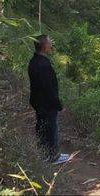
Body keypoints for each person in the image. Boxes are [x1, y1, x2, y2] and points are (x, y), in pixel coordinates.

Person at [28, 35, 70, 164]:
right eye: (50, 43)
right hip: (46, 104)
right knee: (51, 129)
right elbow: (49, 88)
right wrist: (58, 104)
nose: (51, 45)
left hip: (38, 102)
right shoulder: (43, 65)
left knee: (42, 128)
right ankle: (53, 157)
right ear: (44, 46)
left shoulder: (34, 61)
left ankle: (44, 155)